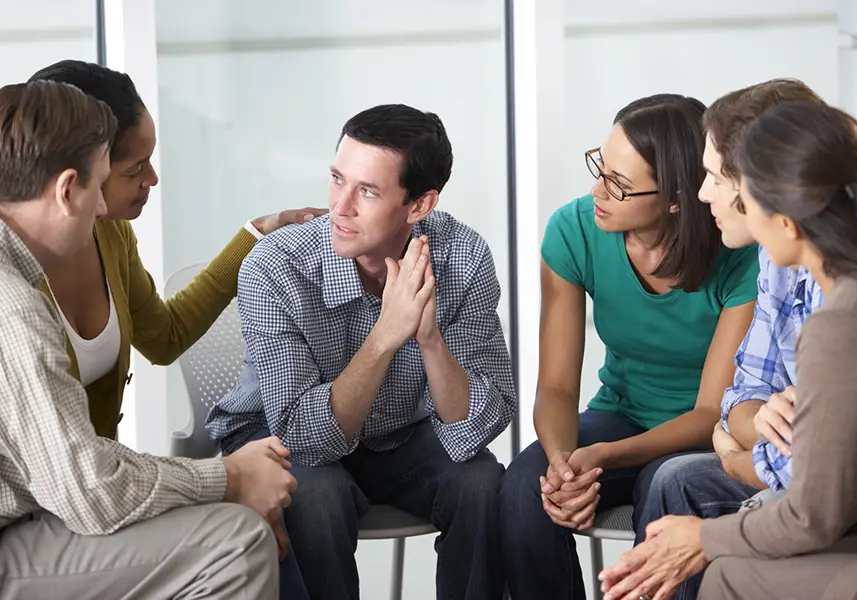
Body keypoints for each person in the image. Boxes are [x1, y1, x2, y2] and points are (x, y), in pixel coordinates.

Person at [0, 79, 300, 599]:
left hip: (54, 498)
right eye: (108, 180)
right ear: (67, 189)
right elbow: (89, 491)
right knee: (237, 542)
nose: (101, 208)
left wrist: (252, 238)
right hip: (38, 517)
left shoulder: (87, 246)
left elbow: (163, 336)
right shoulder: (16, 310)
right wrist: (228, 478)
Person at [206, 103, 517, 600]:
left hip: (399, 434)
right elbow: (305, 437)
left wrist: (429, 339)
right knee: (316, 496)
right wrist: (387, 333)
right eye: (337, 180)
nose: (340, 206)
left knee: (480, 483)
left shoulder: (462, 255)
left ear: (419, 206)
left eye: (367, 191)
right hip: (279, 436)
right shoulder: (275, 265)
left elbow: (477, 425)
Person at [600, 101, 857, 600]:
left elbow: (813, 513)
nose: (708, 196)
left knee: (728, 575)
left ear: (786, 221)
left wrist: (702, 537)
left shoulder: (845, 323)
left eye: (742, 194)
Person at [499, 94, 759, 600]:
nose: (597, 190)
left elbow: (711, 412)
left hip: (706, 433)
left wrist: (607, 455)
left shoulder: (738, 251)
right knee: (524, 487)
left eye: (618, 183)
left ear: (676, 199)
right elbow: (556, 387)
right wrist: (563, 466)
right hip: (621, 414)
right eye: (600, 166)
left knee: (665, 486)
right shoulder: (574, 229)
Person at [27, 60, 326, 440]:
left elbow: (164, 337)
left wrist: (256, 233)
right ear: (78, 175)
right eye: (135, 169)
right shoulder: (14, 284)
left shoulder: (111, 233)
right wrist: (225, 470)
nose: (152, 178)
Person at [631, 79, 827, 600]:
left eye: (715, 177)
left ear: (761, 182)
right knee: (676, 480)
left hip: (844, 492)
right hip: (792, 464)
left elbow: (813, 468)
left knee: (721, 557)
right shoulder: (775, 256)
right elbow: (744, 392)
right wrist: (756, 422)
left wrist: (735, 455)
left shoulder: (848, 285)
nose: (701, 194)